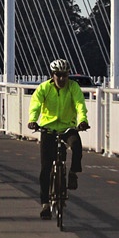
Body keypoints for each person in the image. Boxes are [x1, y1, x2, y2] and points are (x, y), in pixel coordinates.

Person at [28, 59, 90, 219]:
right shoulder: (44, 88)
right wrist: (32, 120)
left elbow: (80, 105)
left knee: (76, 146)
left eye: (65, 75)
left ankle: (73, 173)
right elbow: (35, 104)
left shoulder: (73, 87)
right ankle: (45, 204)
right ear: (52, 75)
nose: (62, 79)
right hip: (48, 129)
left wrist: (83, 121)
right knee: (45, 169)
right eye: (58, 75)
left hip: (67, 128)